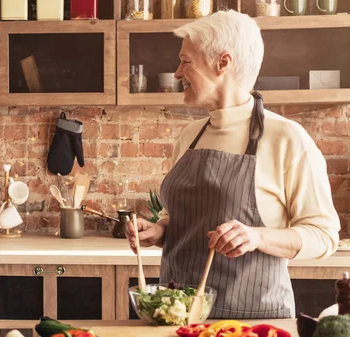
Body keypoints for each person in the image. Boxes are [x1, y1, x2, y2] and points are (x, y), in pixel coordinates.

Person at [126, 11, 340, 319]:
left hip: (253, 321)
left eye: (186, 61)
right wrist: (161, 230)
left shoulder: (287, 138)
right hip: (178, 315)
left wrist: (258, 237)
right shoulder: (190, 136)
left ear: (223, 63)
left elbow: (324, 235)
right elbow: (185, 219)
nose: (176, 73)